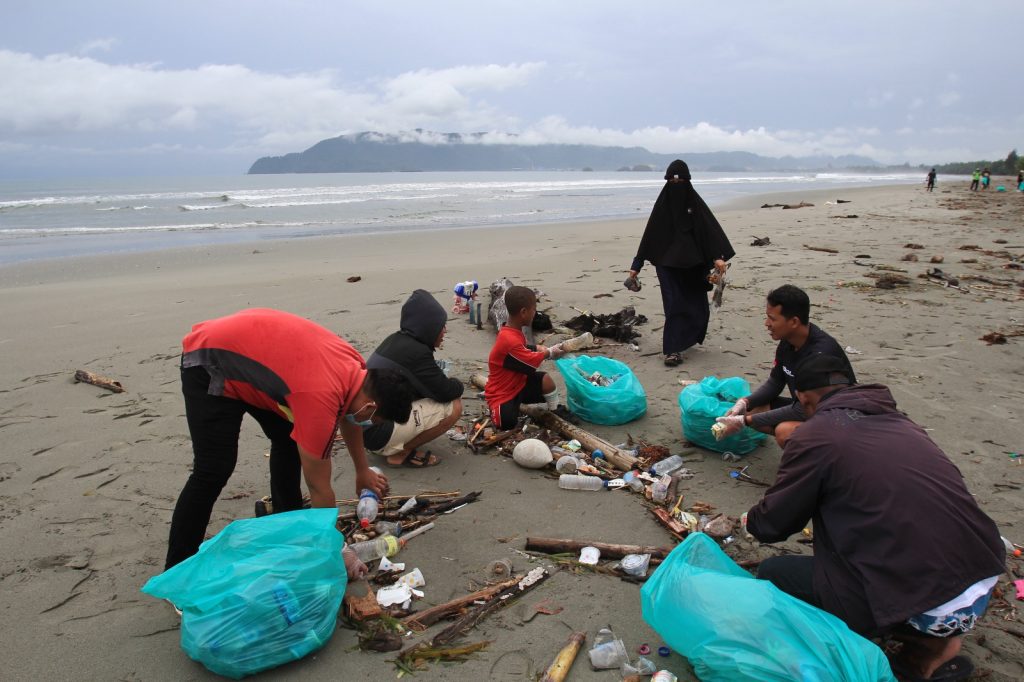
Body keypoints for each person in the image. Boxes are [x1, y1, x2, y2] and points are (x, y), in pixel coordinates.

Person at [744, 355, 1005, 682]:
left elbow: (772, 525)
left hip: (931, 604)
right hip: (983, 574)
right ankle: (934, 650)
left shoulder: (817, 436)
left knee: (775, 573)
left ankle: (905, 659)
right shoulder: (901, 422)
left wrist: (750, 520)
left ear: (804, 398)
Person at [166, 308, 415, 571]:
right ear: (371, 406)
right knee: (213, 470)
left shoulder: (358, 373)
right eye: (374, 420)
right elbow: (319, 487)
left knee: (287, 440)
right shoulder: (320, 400)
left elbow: (348, 414)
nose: (368, 424)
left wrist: (362, 470)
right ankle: (177, 568)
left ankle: (288, 524)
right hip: (210, 359)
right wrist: (336, 548)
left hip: (251, 357)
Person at [715, 284, 855, 447]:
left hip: (838, 421)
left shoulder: (821, 355)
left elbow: (802, 409)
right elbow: (775, 382)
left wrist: (745, 421)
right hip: (805, 408)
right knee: (752, 408)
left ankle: (817, 462)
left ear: (794, 321)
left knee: (785, 431)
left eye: (772, 319)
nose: (767, 323)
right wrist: (745, 402)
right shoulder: (788, 342)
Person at [626, 159, 735, 367]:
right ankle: (673, 349)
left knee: (696, 306)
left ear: (688, 181)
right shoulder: (662, 208)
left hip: (695, 264)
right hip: (666, 265)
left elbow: (708, 233)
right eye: (672, 182)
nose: (676, 185)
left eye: (681, 181)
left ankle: (687, 338)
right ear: (667, 181)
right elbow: (649, 238)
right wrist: (636, 265)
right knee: (674, 304)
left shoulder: (695, 206)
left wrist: (718, 257)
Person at [362, 289, 464, 468]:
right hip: (378, 432)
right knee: (454, 406)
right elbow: (447, 392)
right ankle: (401, 451)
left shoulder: (395, 340)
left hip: (363, 426)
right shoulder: (416, 353)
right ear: (429, 327)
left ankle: (394, 442)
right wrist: (456, 382)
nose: (444, 331)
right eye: (441, 326)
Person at [485, 285, 567, 429]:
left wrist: (536, 348)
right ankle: (499, 411)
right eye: (533, 309)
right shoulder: (508, 339)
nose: (535, 313)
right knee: (506, 423)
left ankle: (555, 411)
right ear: (523, 312)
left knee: (545, 380)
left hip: (518, 385)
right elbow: (530, 363)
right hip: (502, 394)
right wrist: (550, 352)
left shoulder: (514, 332)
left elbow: (522, 351)